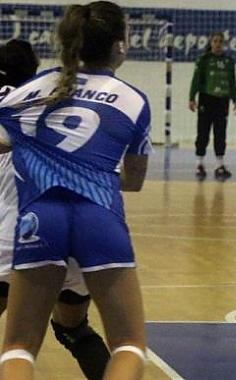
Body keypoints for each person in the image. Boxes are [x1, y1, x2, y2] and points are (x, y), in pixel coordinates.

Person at [0, 2, 150, 379]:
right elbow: (133, 181)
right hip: (100, 218)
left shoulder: (29, 92)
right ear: (119, 46)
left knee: (18, 347)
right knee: (129, 345)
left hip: (39, 219)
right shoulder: (134, 101)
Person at [0, 39, 109, 380]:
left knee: (18, 344)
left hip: (24, 229)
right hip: (83, 229)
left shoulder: (11, 109)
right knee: (72, 327)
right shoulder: (59, 99)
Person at [189, 31, 236, 182]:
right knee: (203, 132)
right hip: (206, 99)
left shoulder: (229, 61)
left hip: (222, 100)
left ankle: (220, 164)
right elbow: (196, 80)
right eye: (215, 41)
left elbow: (232, 82)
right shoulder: (204, 60)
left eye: (220, 41)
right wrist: (192, 98)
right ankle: (199, 163)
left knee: (220, 133)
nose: (218, 44)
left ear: (224, 44)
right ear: (211, 43)